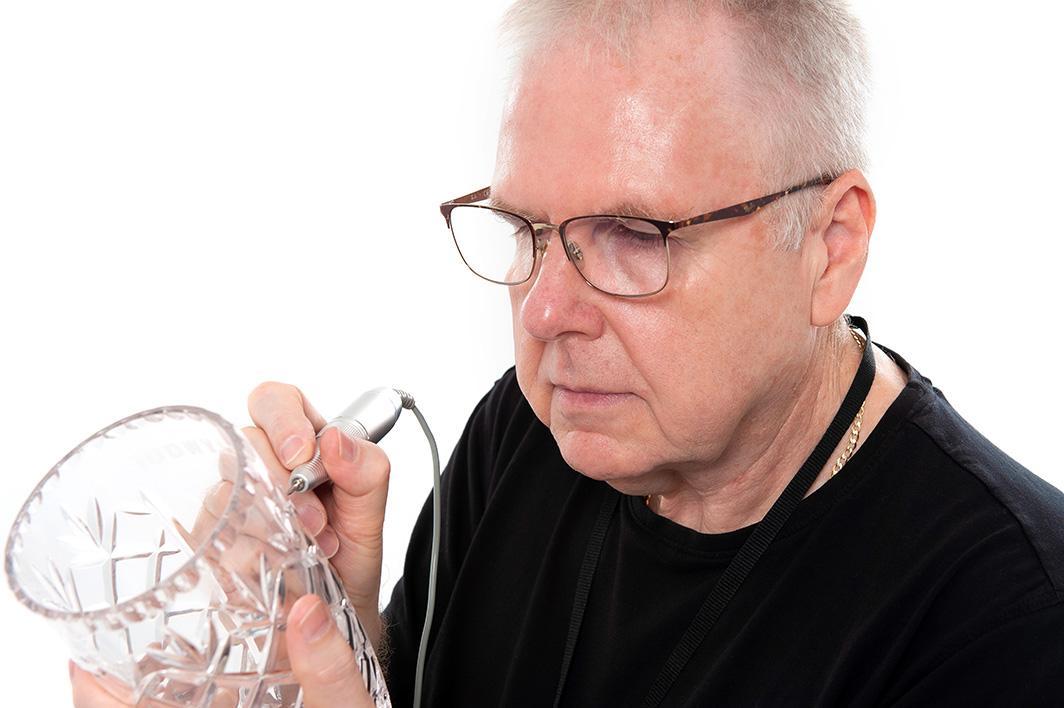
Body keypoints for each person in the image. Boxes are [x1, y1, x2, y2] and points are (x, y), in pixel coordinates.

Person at [72, 0, 1064, 706]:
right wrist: (331, 648)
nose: (544, 312)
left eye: (636, 235)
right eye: (524, 229)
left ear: (828, 245)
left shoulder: (1008, 618)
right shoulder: (526, 434)